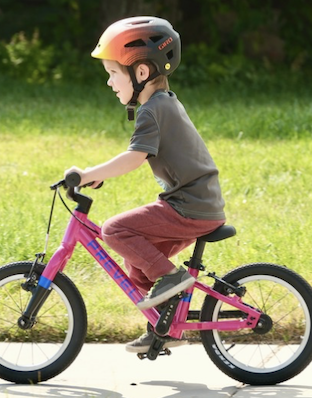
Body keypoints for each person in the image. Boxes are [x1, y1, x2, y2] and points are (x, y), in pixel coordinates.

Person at [63, 16, 226, 354]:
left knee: (114, 230)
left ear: (140, 72)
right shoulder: (164, 103)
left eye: (113, 73)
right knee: (136, 267)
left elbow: (134, 157)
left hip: (189, 207)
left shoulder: (153, 110)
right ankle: (163, 327)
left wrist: (89, 173)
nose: (109, 82)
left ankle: (174, 278)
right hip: (196, 204)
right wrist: (98, 174)